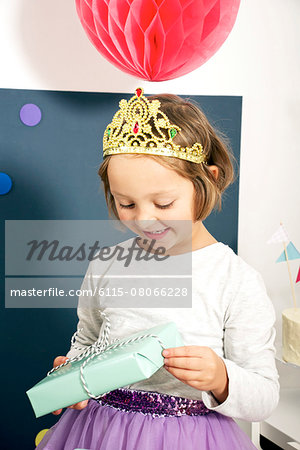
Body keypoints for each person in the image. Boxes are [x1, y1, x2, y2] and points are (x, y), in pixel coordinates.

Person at [36, 89, 279, 450]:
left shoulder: (236, 280)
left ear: (208, 180)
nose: (144, 218)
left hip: (188, 438)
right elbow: (87, 342)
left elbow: (265, 396)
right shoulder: (106, 264)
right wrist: (73, 374)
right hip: (99, 433)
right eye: (126, 203)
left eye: (164, 203)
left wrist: (220, 377)